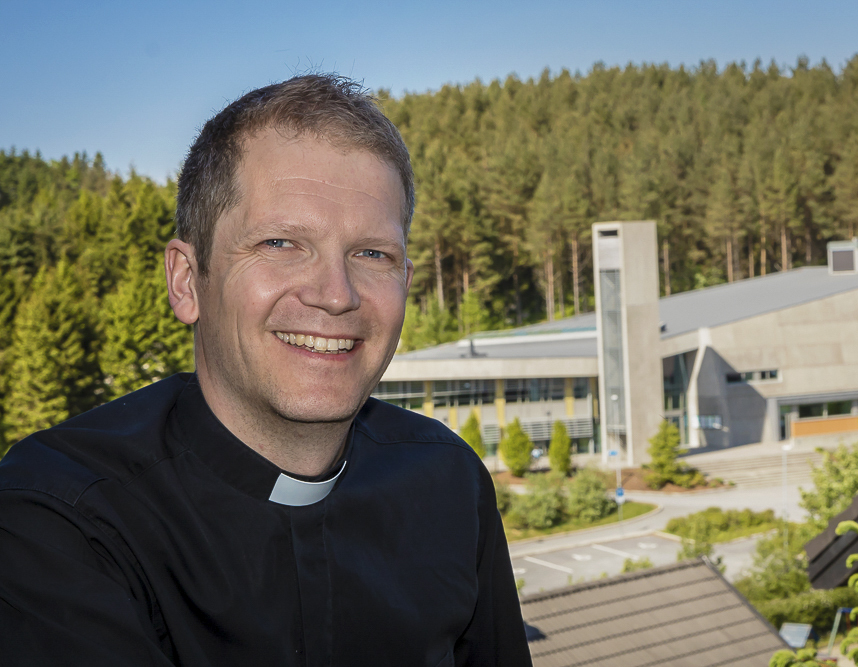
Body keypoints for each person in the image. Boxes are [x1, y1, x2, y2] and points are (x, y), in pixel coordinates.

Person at [0, 74, 531, 665]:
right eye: (281, 244)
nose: (336, 295)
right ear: (186, 281)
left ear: (405, 284)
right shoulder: (59, 518)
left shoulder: (451, 482)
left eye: (372, 254)